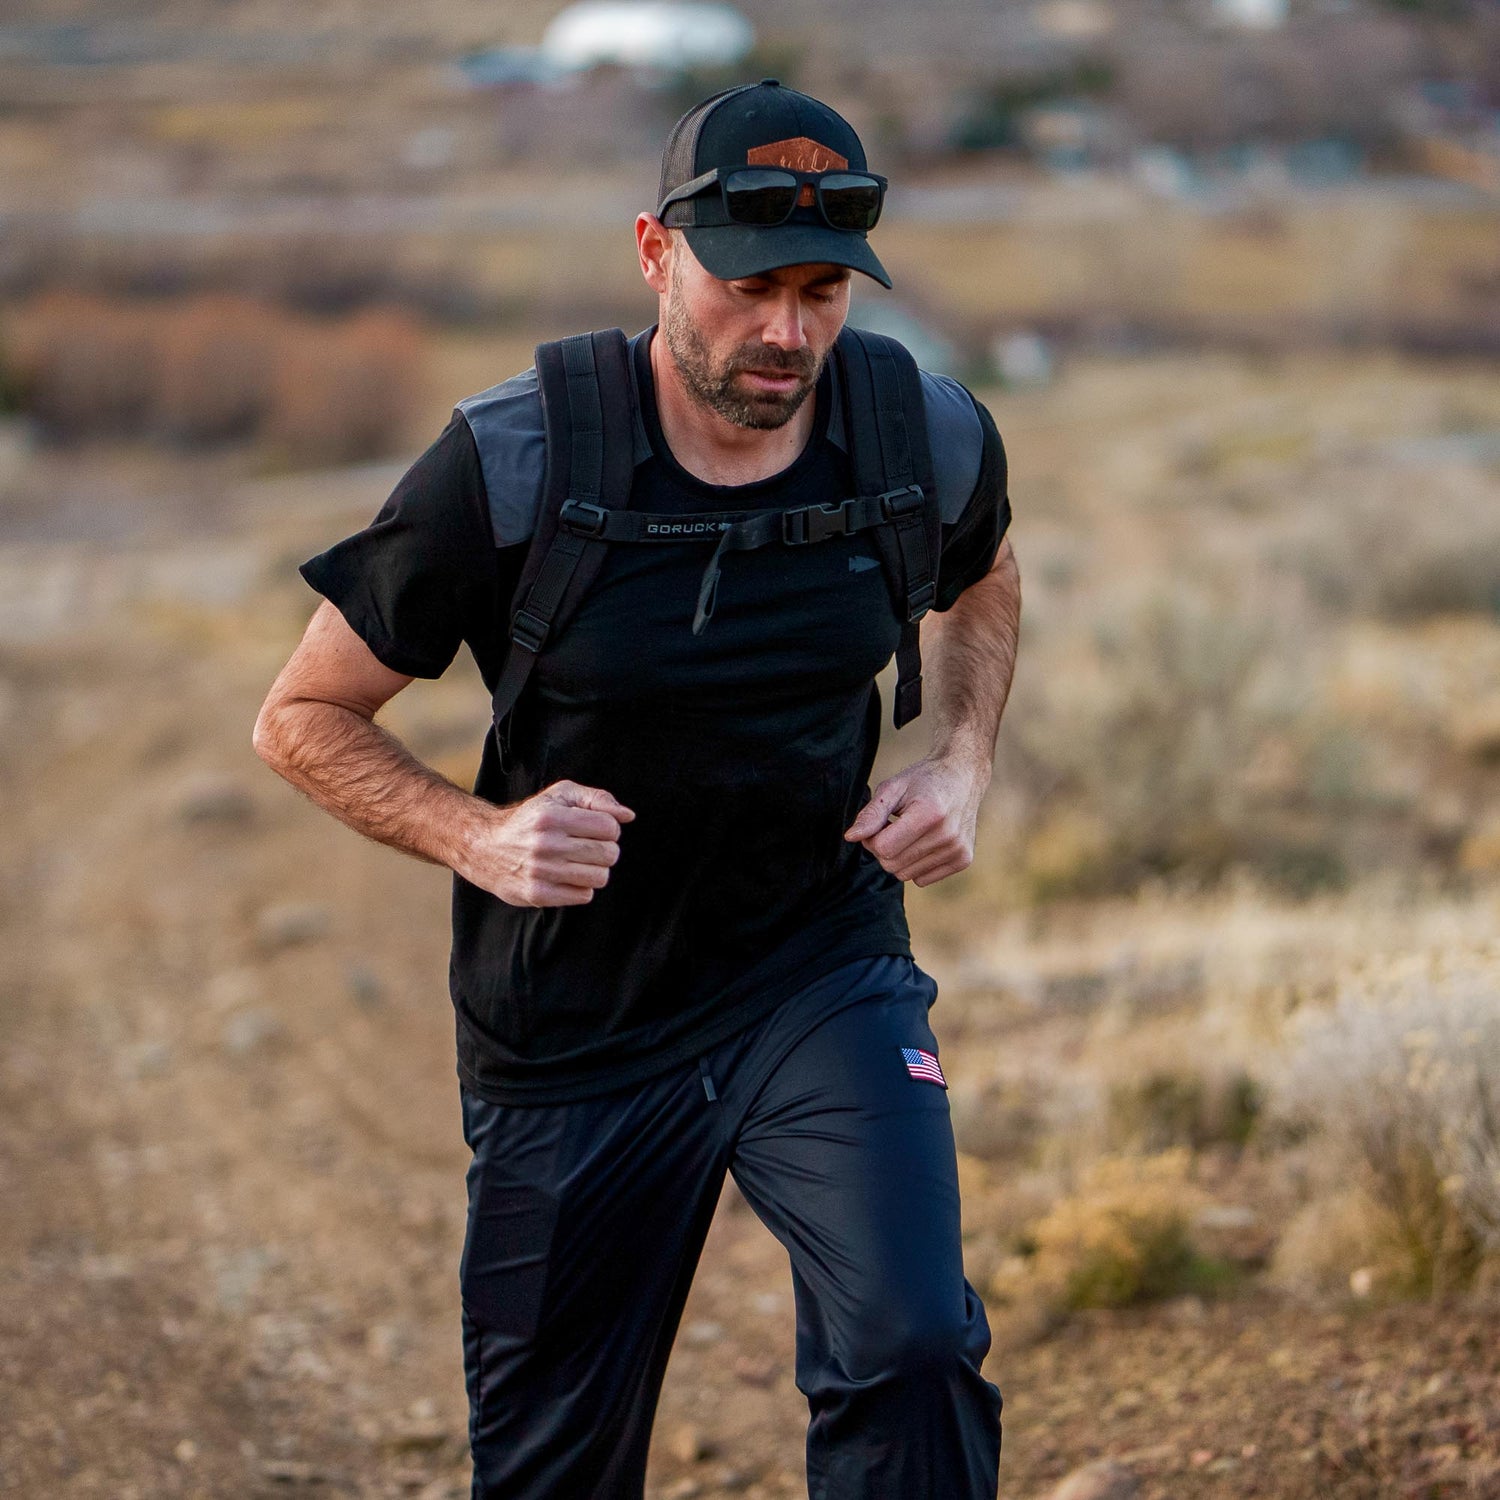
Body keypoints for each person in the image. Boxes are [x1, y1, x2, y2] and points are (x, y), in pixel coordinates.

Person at [254, 79, 1021, 1500]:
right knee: (554, 1472)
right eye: (747, 287)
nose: (788, 332)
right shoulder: (519, 458)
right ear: (658, 256)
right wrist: (478, 835)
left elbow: (982, 578)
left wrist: (963, 759)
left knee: (912, 1349)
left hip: (816, 966)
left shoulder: (918, 434)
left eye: (820, 291)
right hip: (576, 1027)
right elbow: (302, 716)